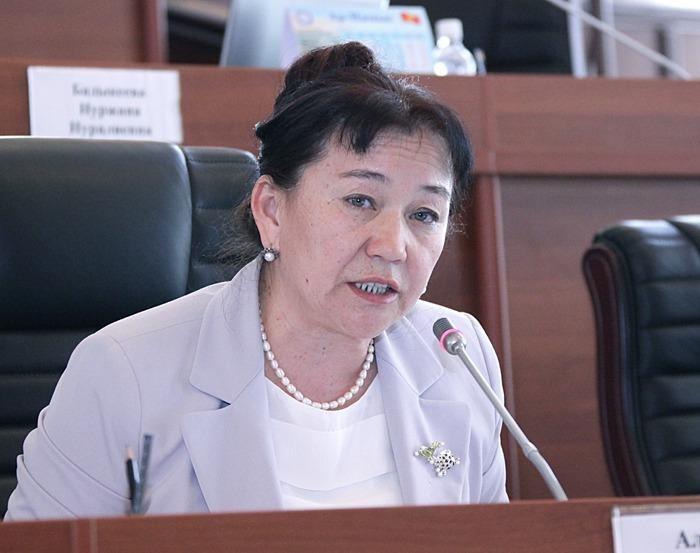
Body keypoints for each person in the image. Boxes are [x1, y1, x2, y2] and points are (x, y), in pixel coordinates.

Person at [5, 42, 507, 520]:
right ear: (271, 210)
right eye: (360, 201)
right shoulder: (123, 373)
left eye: (424, 214)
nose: (393, 246)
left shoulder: (459, 356)